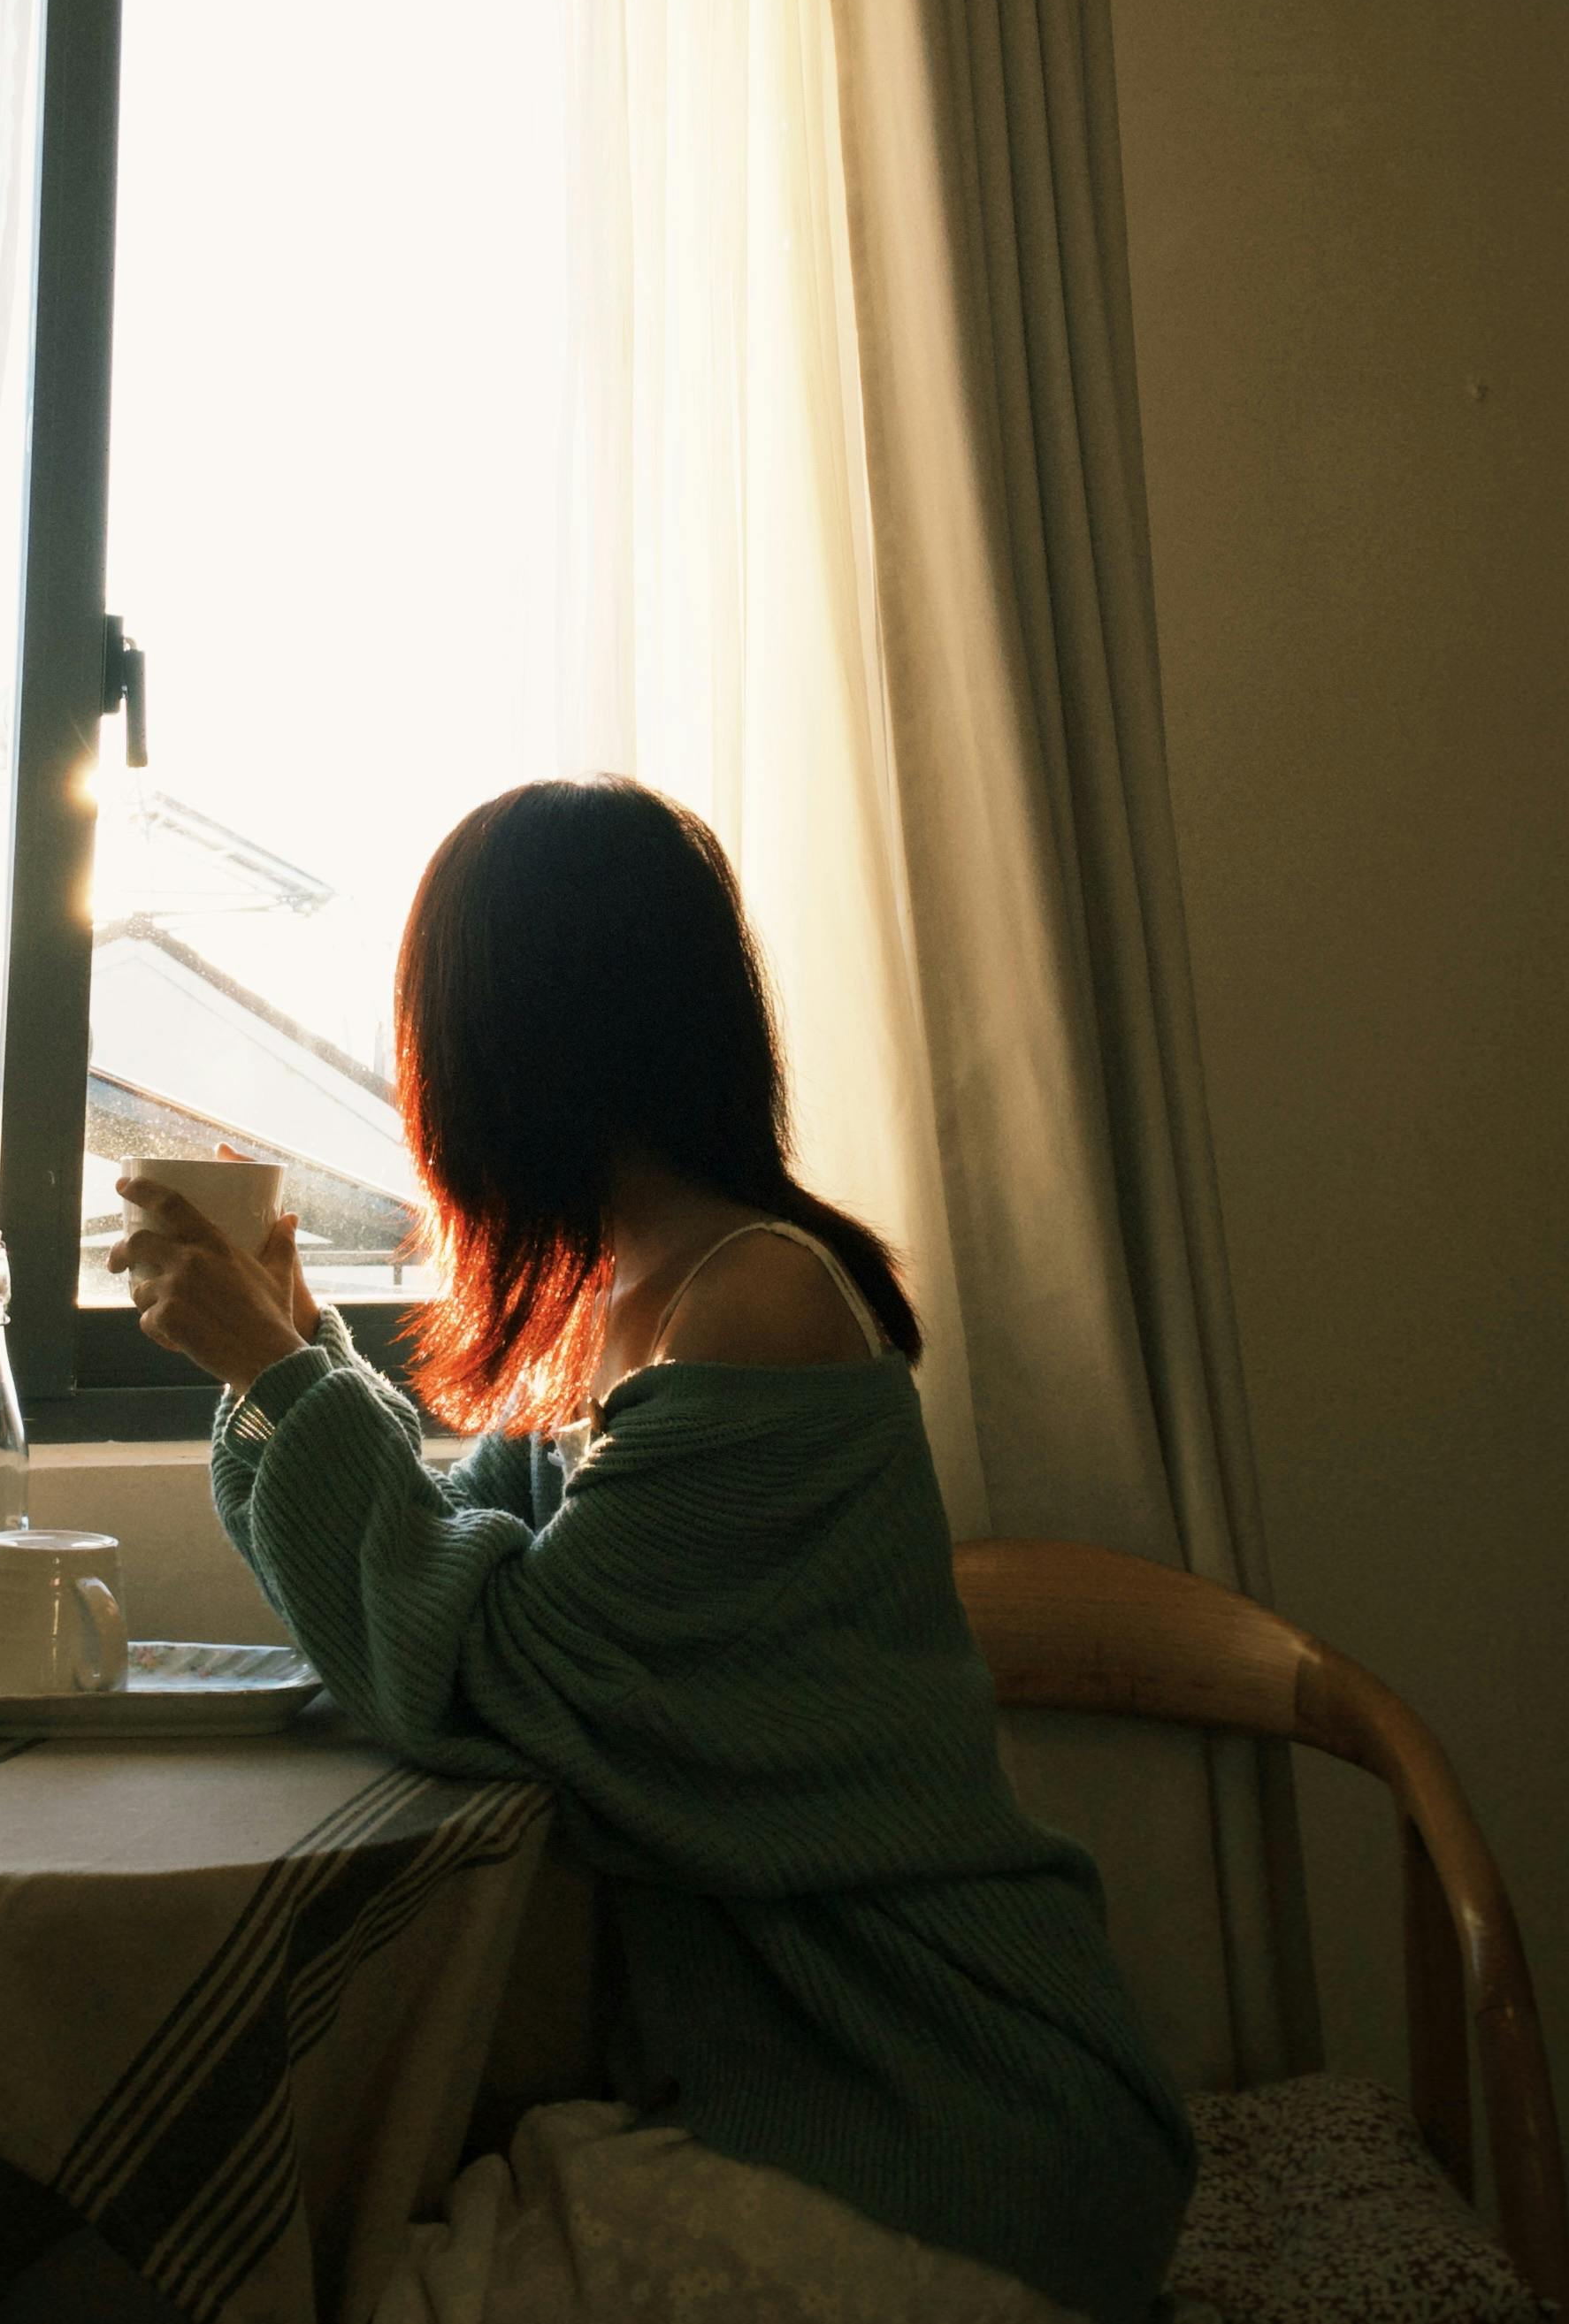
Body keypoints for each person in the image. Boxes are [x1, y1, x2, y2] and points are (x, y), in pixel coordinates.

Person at [108, 777, 1193, 2324]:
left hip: (956, 2118)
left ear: (514, 1041)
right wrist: (291, 1346)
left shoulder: (757, 1301)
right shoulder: (635, 1302)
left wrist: (283, 1376)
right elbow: (453, 1570)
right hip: (821, 2091)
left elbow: (489, 1668)